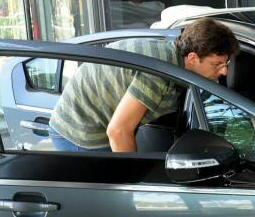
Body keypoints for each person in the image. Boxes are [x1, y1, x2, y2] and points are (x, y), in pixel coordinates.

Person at [49, 17, 237, 152]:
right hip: (78, 132)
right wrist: (134, 187)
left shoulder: (171, 56)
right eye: (217, 64)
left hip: (91, 123)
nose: (224, 72)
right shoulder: (160, 72)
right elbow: (119, 131)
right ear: (193, 58)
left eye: (226, 64)